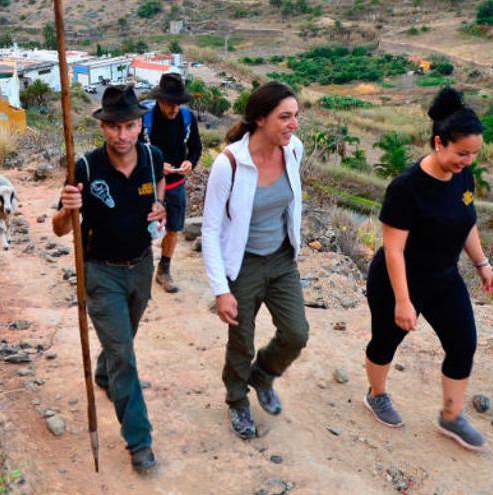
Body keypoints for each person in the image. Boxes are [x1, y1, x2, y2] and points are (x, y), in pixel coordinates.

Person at [362, 87, 493, 452]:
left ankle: (451, 416)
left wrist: (481, 263)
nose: (467, 161)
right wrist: (403, 301)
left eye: (473, 154)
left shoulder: (463, 175)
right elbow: (393, 250)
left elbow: (466, 220)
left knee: (463, 344)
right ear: (439, 142)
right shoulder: (407, 188)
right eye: (461, 153)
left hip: (444, 277)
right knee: (386, 341)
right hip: (398, 281)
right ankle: (376, 394)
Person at [52, 84, 167, 473]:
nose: (123, 135)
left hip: (141, 266)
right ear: (103, 128)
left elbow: (159, 204)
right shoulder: (84, 167)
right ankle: (139, 441)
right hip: (100, 272)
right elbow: (58, 230)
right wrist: (68, 210)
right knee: (124, 354)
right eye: (115, 127)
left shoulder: (153, 159)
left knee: (123, 341)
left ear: (139, 125)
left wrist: (160, 213)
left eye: (130, 126)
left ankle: (104, 373)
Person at [201, 82, 309, 439]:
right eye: (285, 117)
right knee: (241, 342)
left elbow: (290, 206)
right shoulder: (229, 163)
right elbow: (211, 230)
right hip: (243, 264)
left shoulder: (293, 151)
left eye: (295, 115)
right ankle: (236, 400)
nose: (293, 124)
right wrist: (221, 289)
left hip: (281, 259)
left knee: (296, 333)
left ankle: (262, 376)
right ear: (260, 119)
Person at [140, 73, 203, 293]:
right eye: (169, 103)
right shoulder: (144, 118)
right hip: (146, 186)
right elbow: (132, 152)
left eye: (178, 103)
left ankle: (164, 269)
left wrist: (190, 162)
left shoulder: (187, 117)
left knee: (174, 228)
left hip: (175, 184)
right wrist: (157, 166)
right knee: (141, 228)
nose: (174, 108)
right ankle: (139, 268)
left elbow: (196, 148)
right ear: (159, 99)